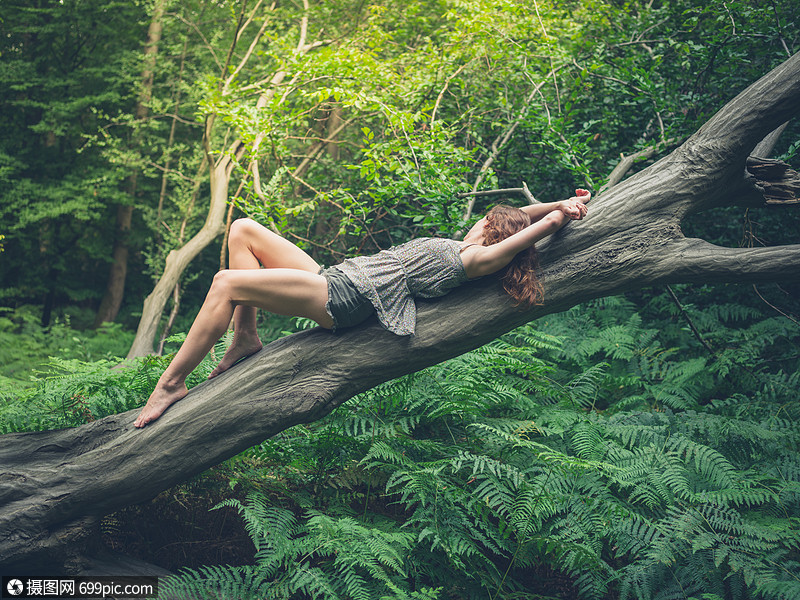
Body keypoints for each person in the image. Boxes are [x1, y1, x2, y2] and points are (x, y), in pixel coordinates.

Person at [134, 189, 589, 428]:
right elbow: (524, 218)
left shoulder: (474, 259)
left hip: (349, 298)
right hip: (341, 277)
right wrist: (557, 202)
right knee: (242, 229)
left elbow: (523, 233)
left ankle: (171, 383)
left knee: (225, 283)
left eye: (489, 221)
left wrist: (557, 217)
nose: (481, 219)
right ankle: (245, 337)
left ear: (494, 234)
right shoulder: (459, 245)